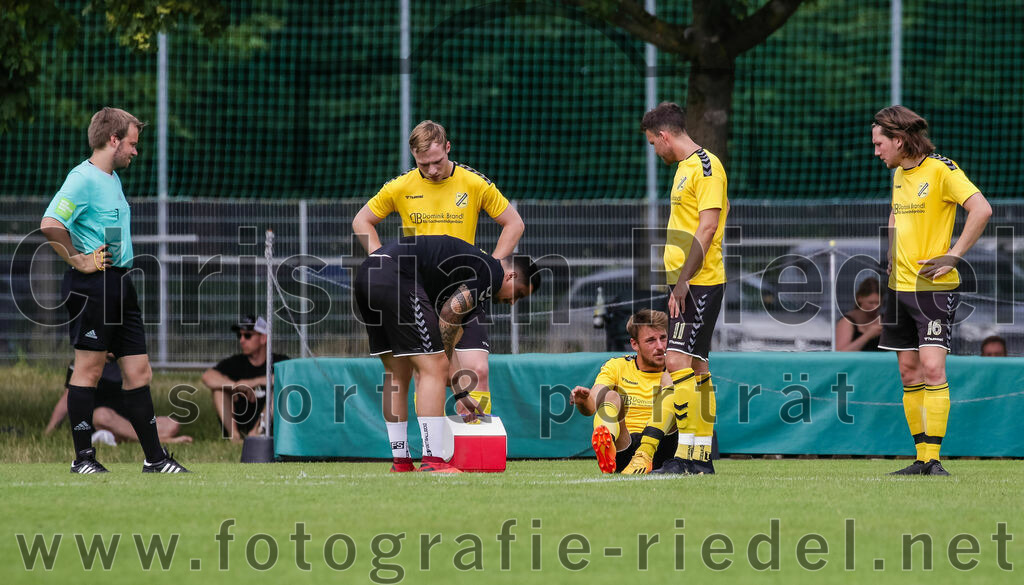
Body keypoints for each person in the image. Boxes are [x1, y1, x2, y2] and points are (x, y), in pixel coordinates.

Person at [40, 107, 189, 474]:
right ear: (113, 139)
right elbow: (50, 223)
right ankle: (83, 459)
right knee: (88, 371)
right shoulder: (82, 178)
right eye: (132, 144)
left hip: (120, 284)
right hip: (94, 286)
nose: (135, 151)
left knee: (139, 372)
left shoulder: (112, 179)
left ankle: (155, 459)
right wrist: (79, 260)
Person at [352, 120, 525, 417]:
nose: (432, 170)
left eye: (437, 161)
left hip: (465, 289)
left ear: (448, 147)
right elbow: (361, 221)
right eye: (424, 164)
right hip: (417, 290)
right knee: (430, 372)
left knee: (477, 371)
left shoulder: (473, 182)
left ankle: (474, 441)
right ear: (413, 156)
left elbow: (514, 223)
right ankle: (435, 443)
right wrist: (381, 261)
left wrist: (491, 268)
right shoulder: (401, 186)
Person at [872, 105, 992, 476]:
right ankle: (921, 458)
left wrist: (955, 255)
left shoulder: (942, 169)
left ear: (898, 140)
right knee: (909, 372)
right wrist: (891, 253)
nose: (876, 151)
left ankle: (935, 460)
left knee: (932, 367)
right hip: (897, 287)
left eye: (879, 144)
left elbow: (981, 209)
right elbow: (896, 213)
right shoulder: (898, 174)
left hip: (932, 288)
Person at [353, 235, 539, 473]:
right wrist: (446, 367)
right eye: (519, 293)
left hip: (368, 273)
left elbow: (448, 328)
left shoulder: (458, 274)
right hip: (396, 274)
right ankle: (433, 461)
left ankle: (401, 461)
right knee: (434, 368)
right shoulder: (492, 272)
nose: (513, 303)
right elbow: (450, 315)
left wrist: (461, 392)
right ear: (511, 276)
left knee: (397, 372)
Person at [631, 102, 729, 475]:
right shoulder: (685, 168)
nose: (655, 151)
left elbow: (708, 226)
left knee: (676, 361)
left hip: (699, 281)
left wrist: (685, 278)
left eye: (653, 143)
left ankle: (687, 457)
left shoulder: (706, 167)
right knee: (698, 366)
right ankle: (700, 458)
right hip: (686, 281)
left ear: (664, 136)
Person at [570, 309, 679, 473]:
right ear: (635, 344)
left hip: (662, 447)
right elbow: (591, 406)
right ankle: (607, 448)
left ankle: (646, 452)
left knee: (670, 379)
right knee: (610, 396)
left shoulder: (676, 368)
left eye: (663, 338)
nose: (660, 346)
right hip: (625, 445)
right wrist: (583, 401)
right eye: (650, 340)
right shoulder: (616, 366)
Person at [46, 354, 192, 445]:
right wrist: (49, 431)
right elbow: (67, 398)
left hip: (127, 421)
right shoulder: (85, 361)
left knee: (172, 424)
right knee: (102, 415)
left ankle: (120, 437)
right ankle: (157, 441)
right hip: (99, 419)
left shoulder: (128, 361)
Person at [201, 315, 290, 443]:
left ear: (263, 338)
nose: (242, 340)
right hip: (240, 420)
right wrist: (236, 385)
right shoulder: (235, 362)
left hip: (267, 424)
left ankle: (257, 433)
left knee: (280, 391)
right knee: (219, 390)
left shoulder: (279, 361)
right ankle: (234, 437)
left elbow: (291, 378)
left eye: (247, 336)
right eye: (239, 335)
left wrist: (252, 382)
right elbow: (207, 376)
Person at [836, 277, 883, 352]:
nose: (875, 307)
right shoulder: (848, 322)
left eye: (878, 303)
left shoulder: (885, 320)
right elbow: (841, 354)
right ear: (859, 298)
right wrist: (867, 336)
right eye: (871, 303)